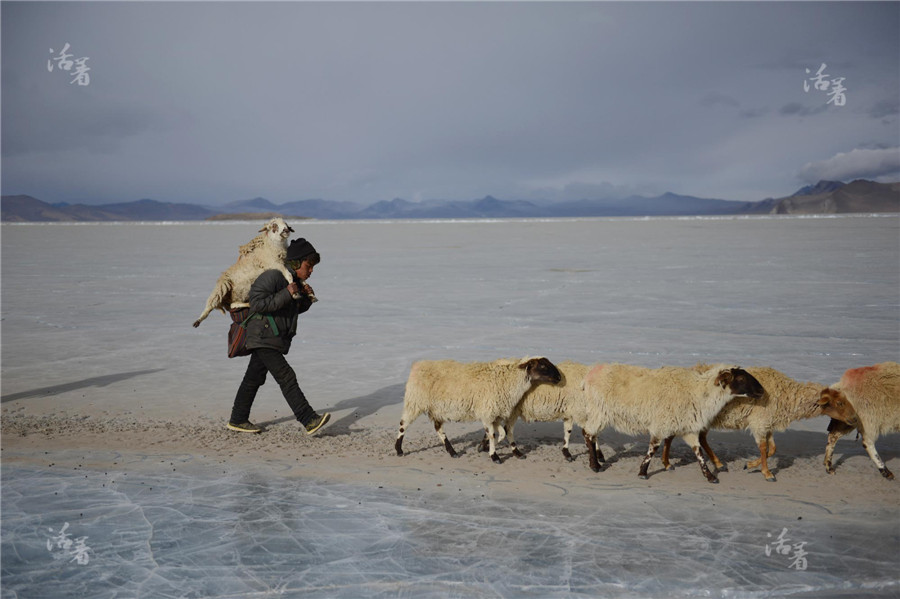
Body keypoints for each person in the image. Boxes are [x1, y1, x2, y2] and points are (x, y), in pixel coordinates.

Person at [227, 237, 331, 436]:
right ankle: (308, 419)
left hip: (270, 337)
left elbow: (288, 311)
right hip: (262, 335)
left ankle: (238, 419)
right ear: (295, 263)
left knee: (253, 378)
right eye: (309, 266)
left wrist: (305, 299)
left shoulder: (293, 282)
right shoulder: (274, 276)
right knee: (286, 376)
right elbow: (258, 304)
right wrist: (287, 292)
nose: (311, 271)